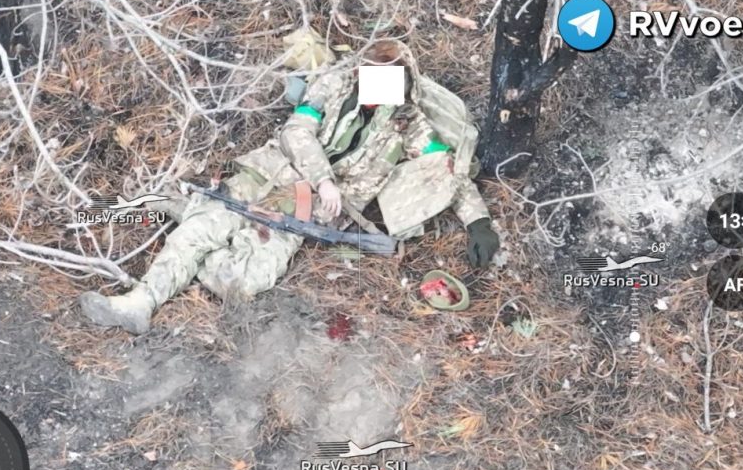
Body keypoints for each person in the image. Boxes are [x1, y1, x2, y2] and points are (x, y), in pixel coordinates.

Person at [79, 41, 500, 333]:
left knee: (242, 281)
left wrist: (477, 221)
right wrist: (324, 179)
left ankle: (189, 215)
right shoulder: (332, 86)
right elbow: (297, 130)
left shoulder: (407, 123)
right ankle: (140, 302)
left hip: (303, 211)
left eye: (388, 80)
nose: (377, 89)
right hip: (267, 175)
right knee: (204, 230)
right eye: (372, 76)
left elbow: (445, 169)